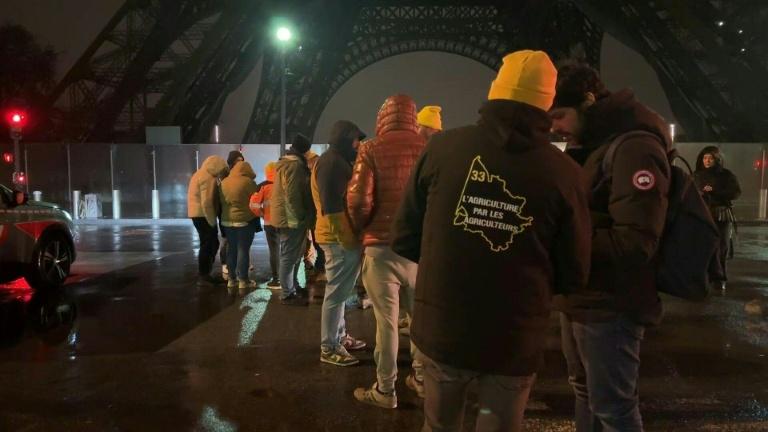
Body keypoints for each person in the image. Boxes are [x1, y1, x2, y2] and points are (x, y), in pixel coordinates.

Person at [392, 50, 592, 431]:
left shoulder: (441, 149)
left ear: (494, 92)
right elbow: (574, 272)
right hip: (514, 336)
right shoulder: (565, 173)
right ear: (547, 104)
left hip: (443, 324)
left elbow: (403, 237)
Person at [549, 64, 672, 432]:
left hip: (611, 305)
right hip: (586, 298)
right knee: (588, 395)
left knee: (613, 408)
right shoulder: (594, 145)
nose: (554, 126)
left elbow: (635, 242)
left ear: (588, 102)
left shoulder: (635, 148)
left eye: (559, 115)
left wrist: (560, 238)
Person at [347, 94, 426, 408]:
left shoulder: (370, 148)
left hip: (380, 248)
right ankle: (420, 380)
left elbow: (357, 201)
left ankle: (385, 390)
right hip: (418, 250)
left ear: (383, 118)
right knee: (419, 321)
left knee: (387, 324)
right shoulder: (427, 149)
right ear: (413, 117)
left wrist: (362, 228)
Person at [312, 120, 368, 366]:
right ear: (345, 139)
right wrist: (350, 242)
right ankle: (329, 347)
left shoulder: (332, 160)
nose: (358, 144)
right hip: (338, 239)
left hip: (337, 236)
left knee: (340, 292)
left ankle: (339, 337)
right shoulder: (333, 163)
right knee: (336, 294)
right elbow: (333, 209)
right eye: (355, 139)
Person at [272, 134, 315, 305]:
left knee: (294, 254)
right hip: (292, 219)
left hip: (291, 218)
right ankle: (287, 293)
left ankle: (292, 287)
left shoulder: (289, 163)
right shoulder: (294, 165)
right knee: (289, 256)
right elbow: (293, 194)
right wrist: (301, 215)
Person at [694, 146, 741, 291]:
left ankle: (720, 278)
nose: (707, 161)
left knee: (721, 247)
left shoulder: (726, 175)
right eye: (705, 158)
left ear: (716, 159)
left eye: (710, 158)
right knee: (703, 248)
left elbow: (735, 192)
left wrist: (715, 191)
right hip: (702, 215)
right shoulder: (696, 175)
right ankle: (704, 278)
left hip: (721, 214)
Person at [220, 160, 262, 294]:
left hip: (227, 221)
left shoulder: (224, 182)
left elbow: (220, 201)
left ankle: (231, 280)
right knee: (243, 249)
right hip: (245, 221)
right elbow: (256, 198)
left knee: (231, 250)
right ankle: (243, 280)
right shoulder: (249, 183)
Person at [187, 155, 229, 285]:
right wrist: (212, 221)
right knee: (208, 244)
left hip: (197, 214)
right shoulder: (208, 178)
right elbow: (207, 203)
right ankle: (204, 274)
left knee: (211, 243)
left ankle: (206, 273)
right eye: (222, 171)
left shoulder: (199, 174)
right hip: (203, 215)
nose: (222, 174)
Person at [250, 161, 280, 288]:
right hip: (285, 223)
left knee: (274, 251)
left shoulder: (263, 186)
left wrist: (261, 214)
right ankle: (288, 279)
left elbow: (253, 204)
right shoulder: (284, 184)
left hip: (269, 223)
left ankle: (276, 279)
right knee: (287, 251)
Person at [221, 150, 245, 280]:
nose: (239, 164)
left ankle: (239, 265)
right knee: (227, 241)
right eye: (237, 161)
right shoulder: (225, 176)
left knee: (240, 243)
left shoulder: (243, 176)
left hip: (237, 214)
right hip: (227, 214)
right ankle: (226, 264)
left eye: (241, 161)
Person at [304, 148, 326, 277]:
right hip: (315, 214)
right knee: (317, 241)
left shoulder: (311, 176)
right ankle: (318, 264)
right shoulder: (313, 176)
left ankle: (319, 264)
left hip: (315, 214)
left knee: (318, 241)